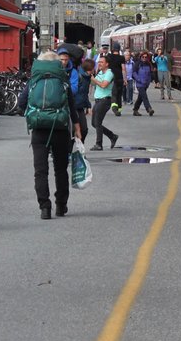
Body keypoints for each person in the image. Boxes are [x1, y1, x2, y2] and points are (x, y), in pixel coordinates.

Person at [16, 51, 81, 219]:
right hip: (60, 129)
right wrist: (76, 126)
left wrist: (33, 114)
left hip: (39, 130)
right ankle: (61, 205)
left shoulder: (34, 80)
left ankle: (45, 207)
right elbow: (72, 106)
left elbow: (21, 104)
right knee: (60, 169)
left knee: (40, 171)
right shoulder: (62, 81)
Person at [58, 44, 90, 142]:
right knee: (65, 130)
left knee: (83, 129)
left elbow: (76, 89)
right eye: (61, 60)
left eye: (66, 60)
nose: (64, 62)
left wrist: (88, 104)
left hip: (75, 104)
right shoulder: (54, 70)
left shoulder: (74, 72)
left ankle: (78, 150)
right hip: (59, 104)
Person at [90, 55, 119, 150]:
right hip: (97, 100)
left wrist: (94, 79)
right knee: (94, 123)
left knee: (97, 122)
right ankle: (112, 136)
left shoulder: (109, 73)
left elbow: (104, 85)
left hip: (104, 100)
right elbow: (94, 83)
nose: (99, 64)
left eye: (102, 62)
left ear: (107, 64)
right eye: (99, 62)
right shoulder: (100, 73)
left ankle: (99, 144)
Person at [131, 51, 156, 116]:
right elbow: (134, 73)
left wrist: (150, 80)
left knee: (140, 97)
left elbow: (151, 73)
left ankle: (135, 110)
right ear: (140, 57)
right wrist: (138, 79)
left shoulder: (148, 64)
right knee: (144, 96)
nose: (144, 58)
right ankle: (149, 109)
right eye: (143, 57)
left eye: (146, 57)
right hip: (139, 84)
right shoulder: (137, 64)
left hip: (146, 84)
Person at [104, 43, 127, 116]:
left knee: (114, 93)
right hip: (119, 77)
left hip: (111, 77)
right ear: (119, 49)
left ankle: (114, 107)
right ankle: (119, 109)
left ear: (112, 49)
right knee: (119, 94)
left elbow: (106, 66)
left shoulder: (109, 56)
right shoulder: (121, 58)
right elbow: (123, 69)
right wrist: (125, 79)